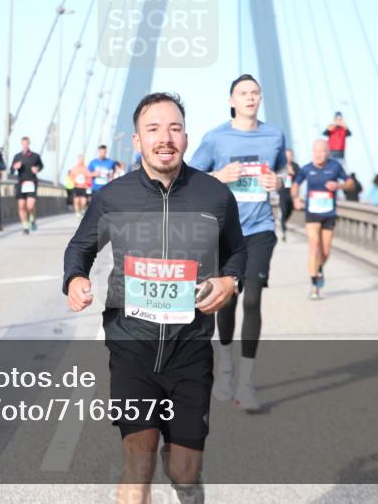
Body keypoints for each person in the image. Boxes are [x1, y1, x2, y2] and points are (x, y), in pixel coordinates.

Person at [63, 92, 247, 503]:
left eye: (174, 128)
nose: (165, 137)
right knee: (138, 462)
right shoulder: (113, 197)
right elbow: (80, 248)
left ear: (185, 137)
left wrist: (230, 281)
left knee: (184, 471)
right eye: (154, 129)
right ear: (137, 140)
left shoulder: (214, 196)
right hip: (133, 348)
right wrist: (75, 278)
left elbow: (237, 251)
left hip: (190, 350)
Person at [189, 73, 284, 413]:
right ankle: (225, 367)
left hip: (259, 230)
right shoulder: (215, 138)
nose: (250, 97)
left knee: (253, 300)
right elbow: (191, 177)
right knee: (226, 301)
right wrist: (219, 176)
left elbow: (283, 173)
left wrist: (278, 180)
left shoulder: (274, 135)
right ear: (231, 100)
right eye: (243, 93)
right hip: (223, 232)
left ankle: (245, 383)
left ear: (260, 98)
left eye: (255, 92)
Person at [292, 140, 350, 300]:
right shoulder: (306, 168)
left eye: (322, 151)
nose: (318, 154)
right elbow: (295, 185)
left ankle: (319, 269)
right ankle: (314, 285)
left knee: (325, 252)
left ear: (328, 152)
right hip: (312, 213)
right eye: (315, 151)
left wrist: (339, 187)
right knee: (314, 246)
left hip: (329, 214)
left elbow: (350, 183)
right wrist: (296, 198)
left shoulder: (335, 167)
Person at [10, 136, 44, 234]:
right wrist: (15, 167)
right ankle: (25, 227)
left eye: (26, 143)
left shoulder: (35, 156)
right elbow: (11, 171)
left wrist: (37, 169)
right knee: (21, 206)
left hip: (32, 183)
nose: (25, 145)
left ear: (29, 144)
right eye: (23, 143)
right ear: (21, 144)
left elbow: (41, 166)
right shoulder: (17, 156)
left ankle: (32, 219)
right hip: (21, 183)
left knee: (30, 206)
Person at [278, 148, 301, 243]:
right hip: (283, 192)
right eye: (286, 156)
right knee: (284, 211)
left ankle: (283, 222)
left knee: (290, 211)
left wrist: (293, 173)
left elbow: (299, 179)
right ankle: (284, 232)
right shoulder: (281, 166)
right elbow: (277, 178)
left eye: (290, 156)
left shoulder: (296, 166)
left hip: (292, 192)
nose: (288, 158)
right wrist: (285, 173)